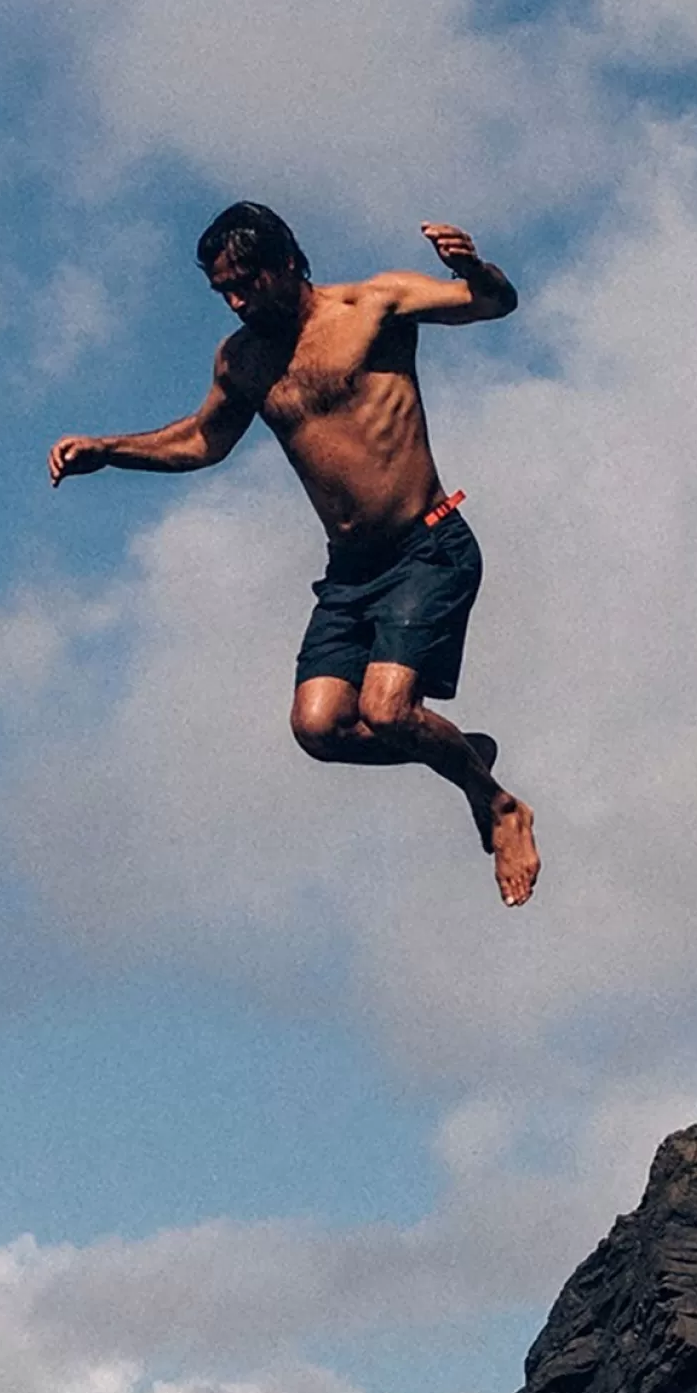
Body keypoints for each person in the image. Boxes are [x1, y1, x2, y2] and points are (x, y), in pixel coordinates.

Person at [47, 202, 540, 905]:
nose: (237, 300)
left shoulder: (373, 306)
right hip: (351, 572)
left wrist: (472, 267)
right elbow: (202, 440)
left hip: (427, 543)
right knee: (318, 725)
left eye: (246, 282)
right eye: (223, 290)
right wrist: (109, 450)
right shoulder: (243, 359)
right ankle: (459, 748)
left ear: (285, 263)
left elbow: (492, 304)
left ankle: (498, 804)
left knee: (390, 708)